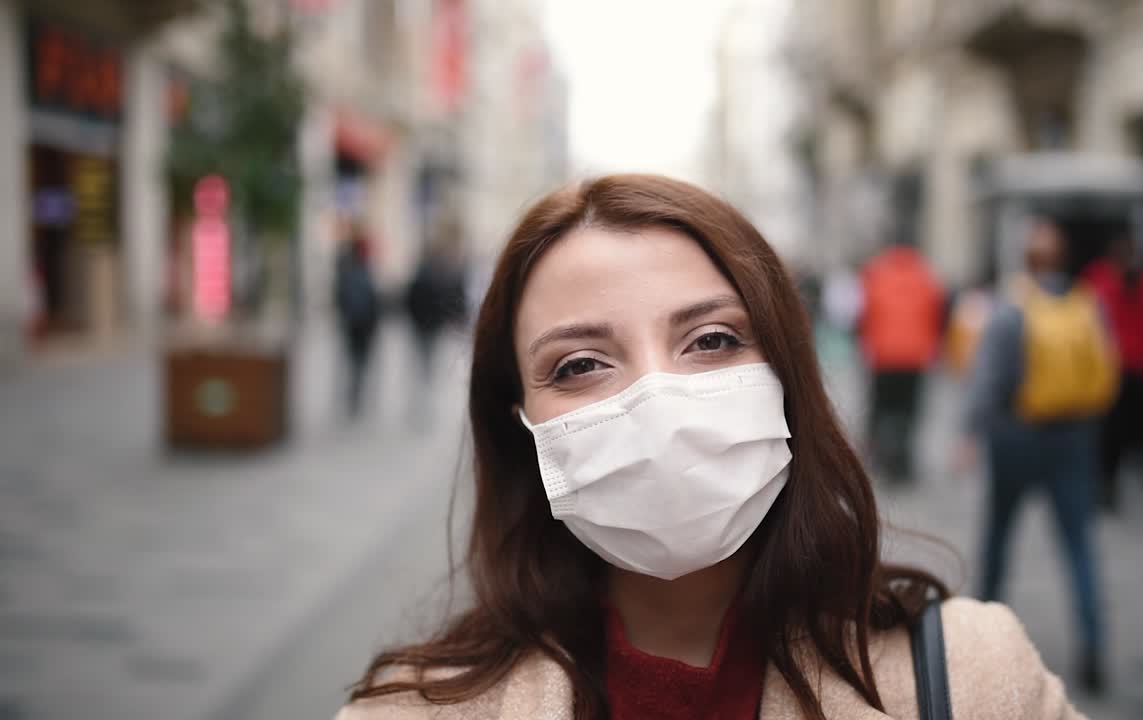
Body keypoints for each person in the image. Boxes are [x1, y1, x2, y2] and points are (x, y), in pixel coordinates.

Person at [337, 175, 1082, 720]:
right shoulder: (407, 711)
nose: (658, 402)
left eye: (713, 340)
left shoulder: (977, 677)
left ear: (787, 372)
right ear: (520, 425)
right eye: (579, 365)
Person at [960, 219, 1117, 697]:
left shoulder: (1013, 309)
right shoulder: (1086, 305)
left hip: (1017, 438)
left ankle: (978, 649)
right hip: (1073, 436)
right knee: (1079, 547)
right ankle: (1093, 650)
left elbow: (988, 379)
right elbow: (1109, 369)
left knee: (998, 541)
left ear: (1027, 262)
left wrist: (971, 432)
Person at [1083, 232, 1143, 510]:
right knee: (1111, 431)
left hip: (1138, 369)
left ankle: (1117, 473)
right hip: (1114, 369)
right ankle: (1108, 480)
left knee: (1131, 428)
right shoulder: (1102, 282)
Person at [857, 240, 944, 483]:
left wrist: (867, 345)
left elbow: (865, 314)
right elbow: (937, 315)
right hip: (915, 358)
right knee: (908, 413)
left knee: (879, 411)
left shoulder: (876, 274)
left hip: (883, 357)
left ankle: (877, 459)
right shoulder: (925, 277)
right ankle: (904, 463)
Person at [405, 217, 469, 424]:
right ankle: (423, 401)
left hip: (424, 325)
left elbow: (412, 298)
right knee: (427, 363)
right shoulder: (439, 273)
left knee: (424, 363)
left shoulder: (426, 273)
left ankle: (422, 401)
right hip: (428, 325)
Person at [334, 225, 381, 419]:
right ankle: (355, 394)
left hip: (356, 324)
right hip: (360, 324)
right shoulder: (358, 270)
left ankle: (354, 394)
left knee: (356, 361)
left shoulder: (348, 268)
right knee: (358, 361)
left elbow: (341, 297)